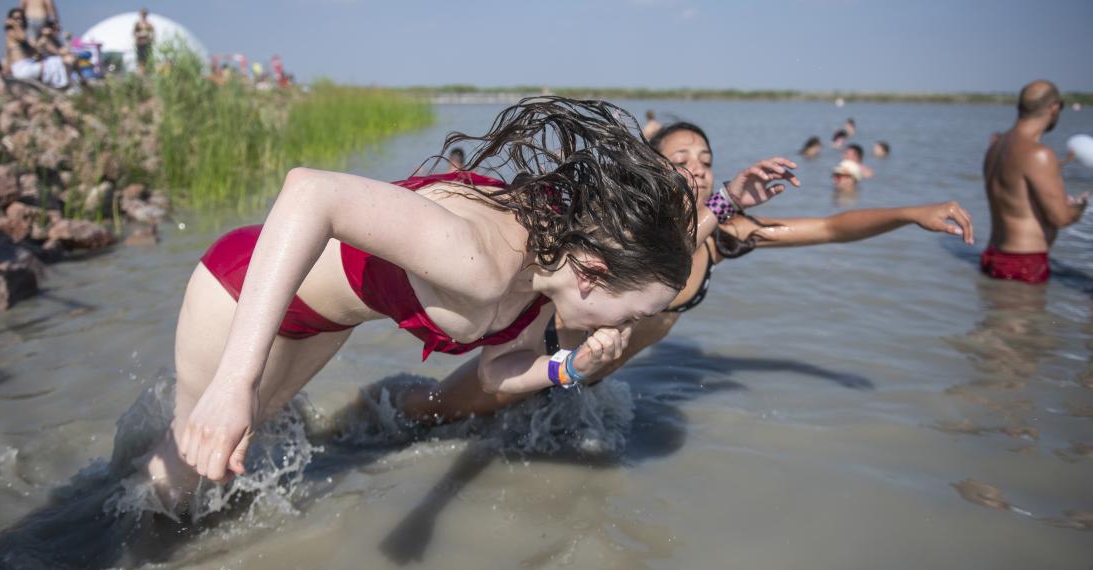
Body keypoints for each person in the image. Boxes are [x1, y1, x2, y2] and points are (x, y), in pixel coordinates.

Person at [142, 98, 790, 507]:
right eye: (628, 316)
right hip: (243, 288)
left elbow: (493, 374)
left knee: (235, 465)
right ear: (593, 276)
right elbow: (310, 192)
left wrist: (568, 368)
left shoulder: (550, 279)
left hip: (322, 322)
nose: (627, 329)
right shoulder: (482, 259)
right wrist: (235, 380)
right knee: (176, 489)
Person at [396, 121, 974, 424]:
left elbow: (829, 228)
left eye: (705, 161)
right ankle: (355, 422)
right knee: (425, 417)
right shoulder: (618, 232)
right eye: (680, 161)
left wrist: (908, 213)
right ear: (654, 171)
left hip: (586, 377)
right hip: (535, 359)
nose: (696, 171)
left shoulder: (724, 233)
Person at [981, 80, 1089, 284]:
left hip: (993, 254)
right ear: (1054, 108)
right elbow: (1061, 218)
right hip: (1023, 262)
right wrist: (1081, 205)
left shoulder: (996, 147)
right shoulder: (1039, 154)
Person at [2, 8, 68, 88]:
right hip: (22, 68)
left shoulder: (20, 37)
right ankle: (62, 86)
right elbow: (22, 37)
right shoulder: (11, 32)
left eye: (21, 18)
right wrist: (15, 24)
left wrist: (42, 41)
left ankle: (61, 85)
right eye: (16, 18)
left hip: (26, 65)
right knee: (55, 63)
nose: (19, 21)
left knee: (56, 61)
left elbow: (33, 52)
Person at [133, 8, 154, 75]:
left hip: (147, 45)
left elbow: (152, 34)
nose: (143, 16)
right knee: (140, 61)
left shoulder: (149, 24)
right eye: (142, 14)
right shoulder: (137, 24)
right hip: (140, 44)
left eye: (145, 14)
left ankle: (146, 74)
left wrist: (148, 35)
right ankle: (140, 75)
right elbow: (134, 34)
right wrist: (142, 34)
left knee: (147, 60)